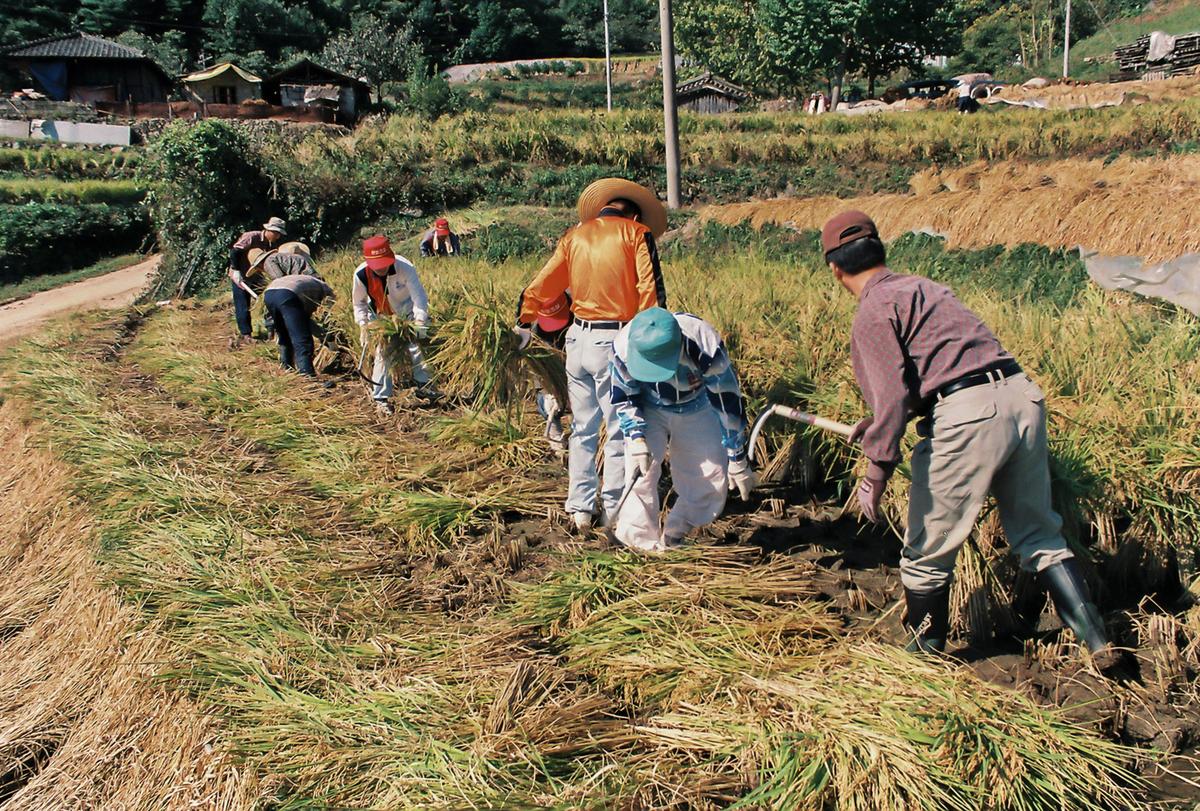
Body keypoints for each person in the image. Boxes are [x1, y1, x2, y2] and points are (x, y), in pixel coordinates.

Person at [822, 210, 1110, 658]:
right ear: (880, 251)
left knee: (927, 554)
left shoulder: (873, 311)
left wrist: (876, 472)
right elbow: (945, 367)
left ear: (835, 269)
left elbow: (892, 397)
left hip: (968, 416)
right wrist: (880, 423)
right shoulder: (925, 288)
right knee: (1039, 537)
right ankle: (1098, 641)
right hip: (1020, 398)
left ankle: (924, 658)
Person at [513, 177, 668, 532]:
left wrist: (523, 321)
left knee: (582, 428)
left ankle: (580, 509)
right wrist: (653, 339)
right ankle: (613, 509)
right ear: (634, 214)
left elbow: (544, 283)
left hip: (577, 340)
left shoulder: (574, 236)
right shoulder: (636, 234)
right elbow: (651, 290)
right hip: (614, 341)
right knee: (617, 429)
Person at [609, 308, 756, 553]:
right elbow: (624, 396)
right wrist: (636, 438)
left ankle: (679, 537)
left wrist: (736, 456)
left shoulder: (704, 343)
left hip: (697, 405)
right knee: (640, 473)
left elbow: (726, 400)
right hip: (649, 406)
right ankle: (638, 544)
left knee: (709, 475)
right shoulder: (623, 346)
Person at [352, 235, 438, 415]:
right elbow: (359, 303)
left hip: (408, 311)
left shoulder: (404, 267)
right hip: (381, 315)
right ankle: (381, 398)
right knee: (384, 353)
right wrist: (363, 326)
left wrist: (420, 321)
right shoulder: (361, 275)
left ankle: (425, 386)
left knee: (418, 347)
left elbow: (419, 297)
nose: (381, 268)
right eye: (377, 266)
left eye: (383, 264)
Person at [262, 273, 334, 380]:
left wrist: (270, 327)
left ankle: (286, 368)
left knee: (284, 335)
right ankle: (306, 373)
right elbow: (326, 316)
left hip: (269, 294)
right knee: (302, 338)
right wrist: (327, 336)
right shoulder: (326, 289)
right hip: (287, 295)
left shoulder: (304, 281)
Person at [229, 217, 287, 344]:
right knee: (243, 305)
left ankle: (271, 329)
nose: (278, 236)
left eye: (279, 234)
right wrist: (236, 270)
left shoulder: (271, 244)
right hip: (241, 275)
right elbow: (235, 251)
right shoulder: (251, 237)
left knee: (269, 299)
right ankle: (246, 335)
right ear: (269, 230)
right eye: (276, 233)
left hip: (256, 276)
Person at [532, 292, 573, 452]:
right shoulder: (535, 332)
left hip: (579, 371)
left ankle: (579, 432)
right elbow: (538, 369)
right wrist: (547, 392)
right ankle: (557, 440)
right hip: (555, 377)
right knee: (546, 403)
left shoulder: (584, 318)